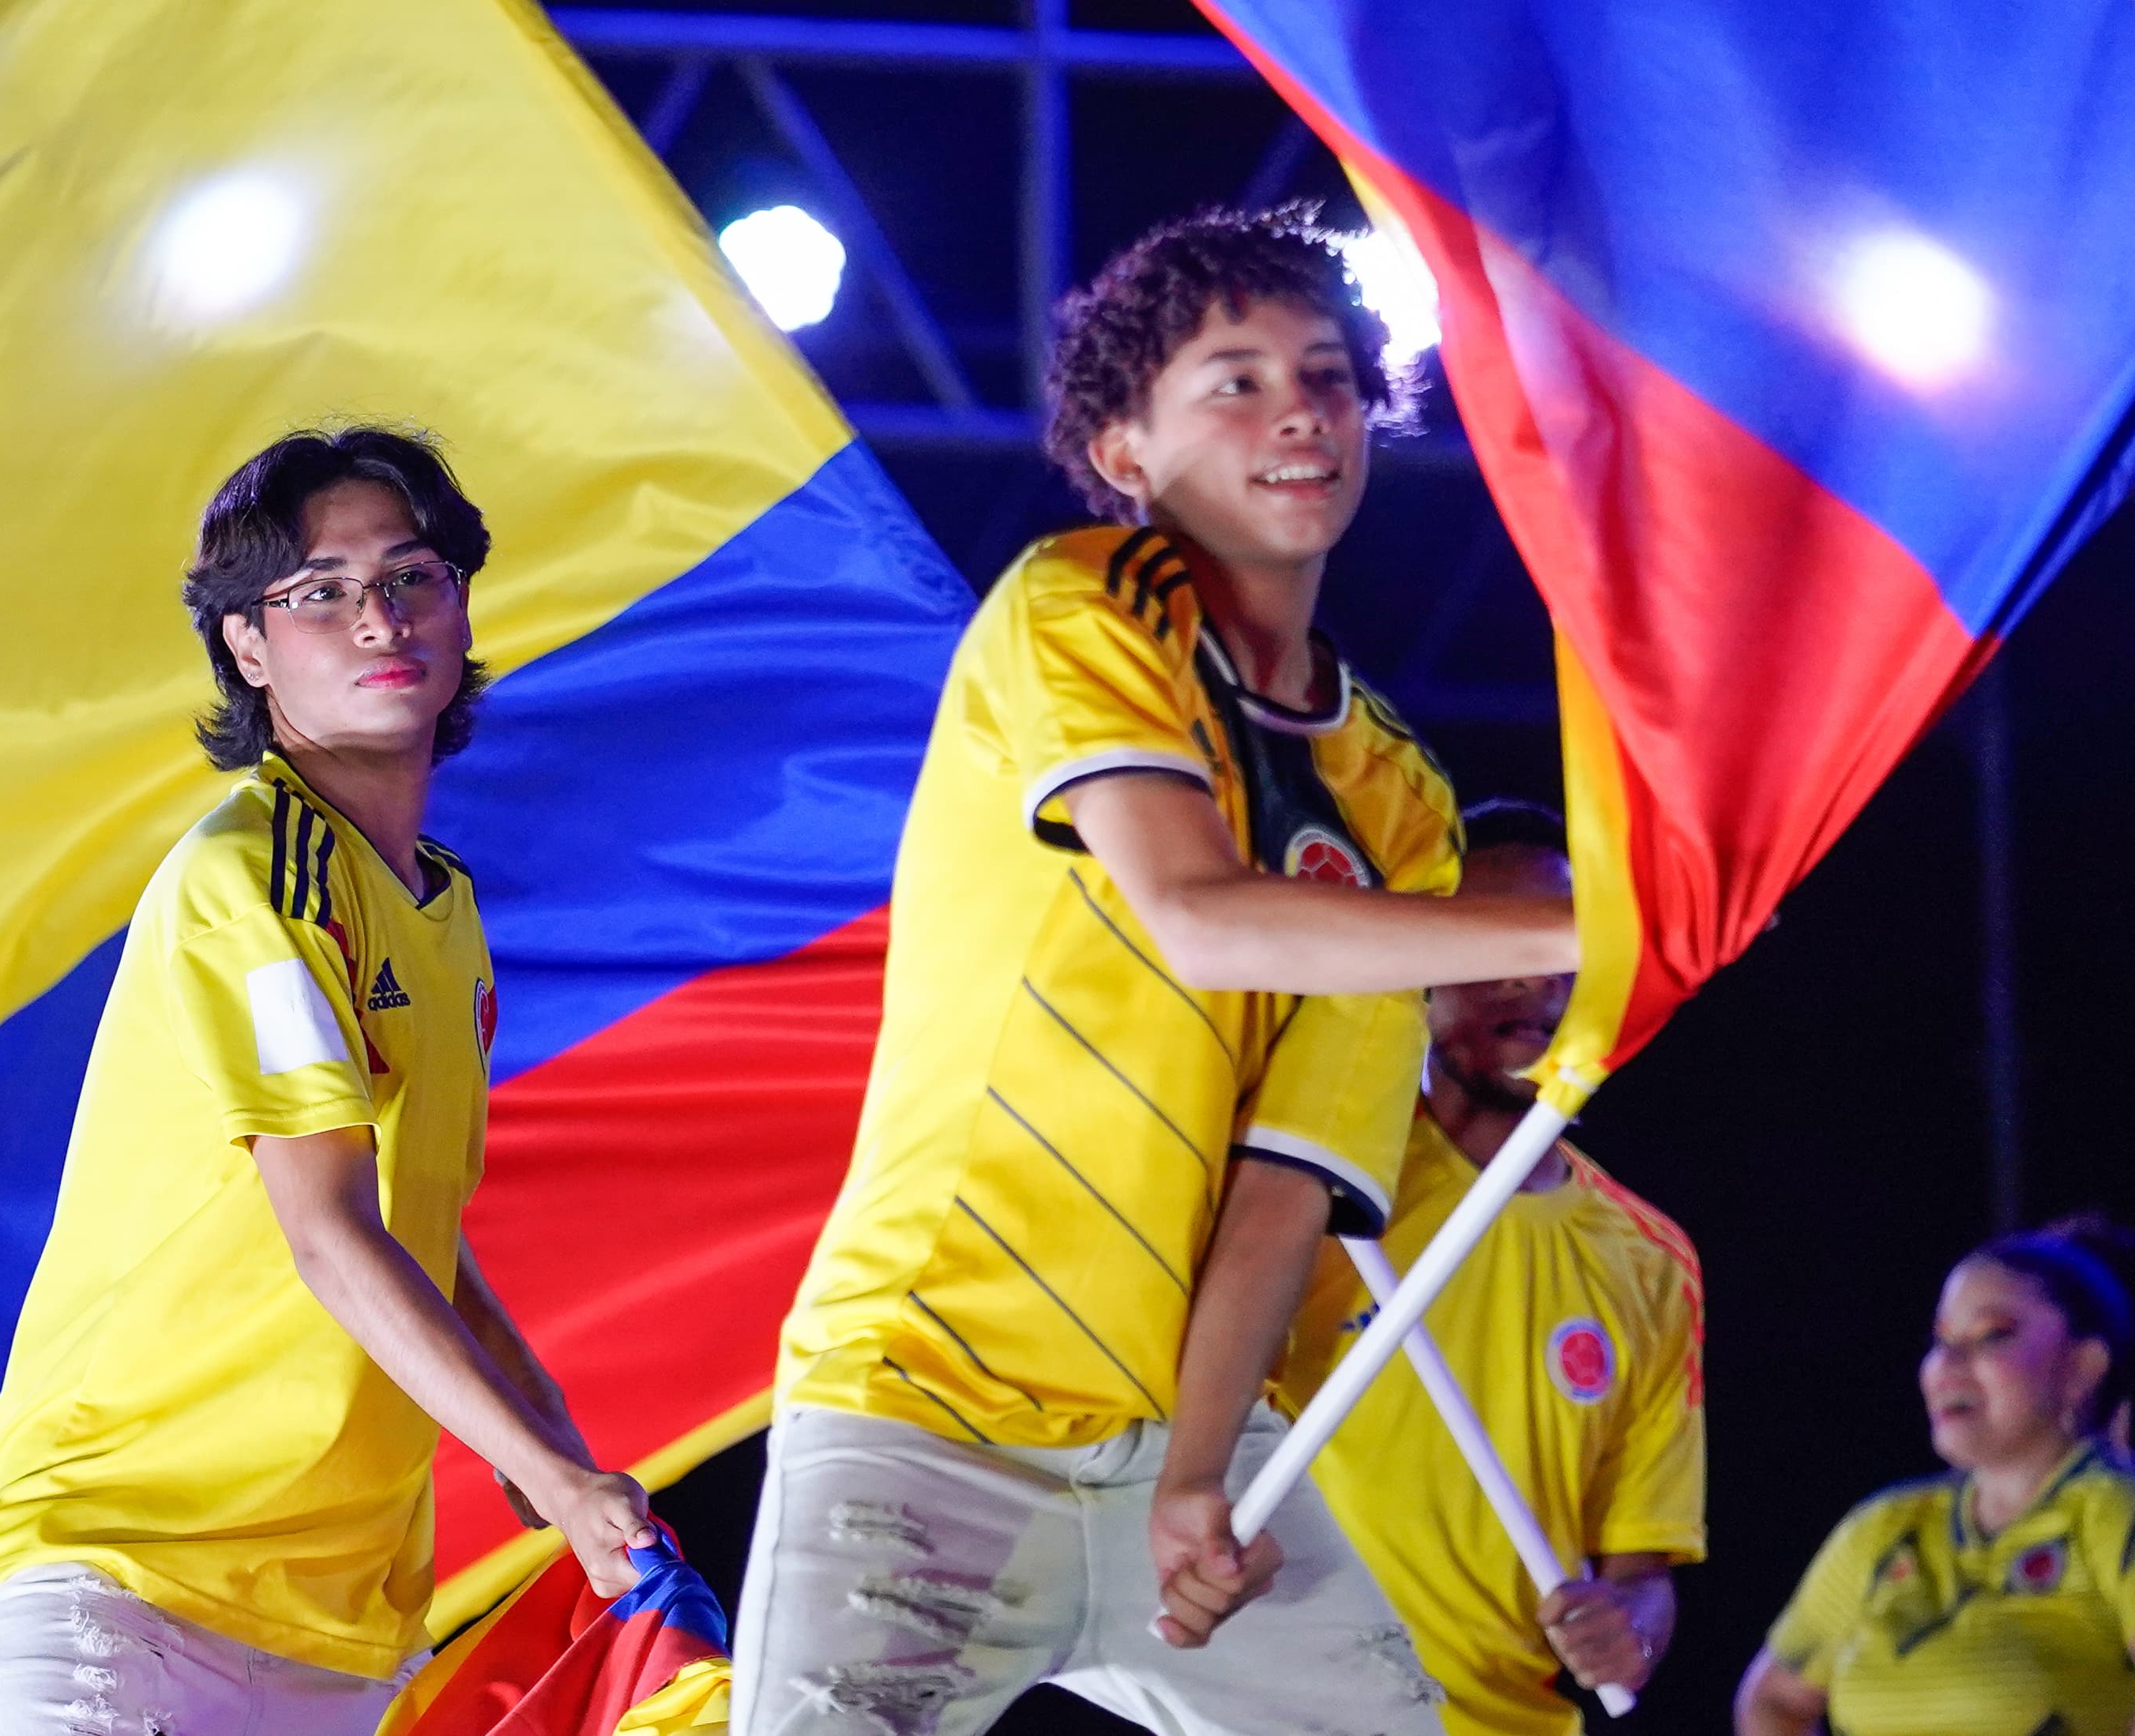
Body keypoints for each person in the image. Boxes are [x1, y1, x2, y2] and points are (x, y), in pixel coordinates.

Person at [737, 208, 1578, 1736]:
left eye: (1325, 376)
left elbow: (1285, 1174)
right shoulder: (1084, 600)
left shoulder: (1397, 793)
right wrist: (1585, 935)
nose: (1298, 411)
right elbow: (1198, 912)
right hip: (923, 1403)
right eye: (1234, 381)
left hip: (1181, 1439)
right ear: (1123, 448)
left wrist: (1195, 1473)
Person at [0, 426, 654, 1734]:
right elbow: (327, 1228)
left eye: (411, 575)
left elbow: (419, 1235)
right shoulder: (252, 878)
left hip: (344, 1627)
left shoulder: (441, 905)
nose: (379, 617)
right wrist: (550, 1475)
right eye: (320, 591)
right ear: (249, 646)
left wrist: (557, 1448)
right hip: (119, 1575)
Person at [1279, 799, 1705, 1736]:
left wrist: (1628, 1630)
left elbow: (1642, 1570)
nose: (1529, 973)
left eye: (1559, 943)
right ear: (1421, 964)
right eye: (1493, 933)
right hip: (1282, 1710)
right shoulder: (1317, 1178)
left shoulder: (1652, 1260)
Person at [1735, 1216, 2135, 1736]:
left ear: (2083, 1366)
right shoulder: (1887, 1528)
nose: (1947, 1362)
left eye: (1992, 1335)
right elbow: (1772, 1701)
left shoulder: (2112, 1511)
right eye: (1940, 1340)